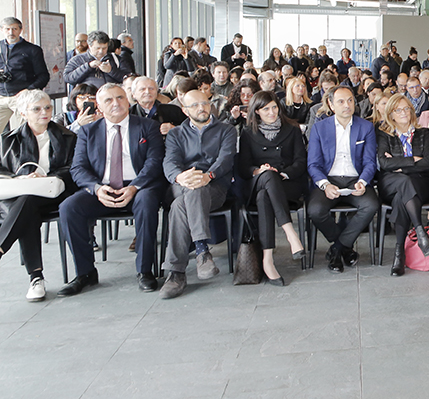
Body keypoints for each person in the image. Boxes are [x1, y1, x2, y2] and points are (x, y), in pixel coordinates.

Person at [59, 84, 165, 295]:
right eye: (108, 100)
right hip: (102, 188)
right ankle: (85, 273)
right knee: (69, 208)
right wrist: (97, 189)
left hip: (138, 186)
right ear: (98, 106)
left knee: (147, 201)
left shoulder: (147, 126)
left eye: (120, 98)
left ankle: (145, 270)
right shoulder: (88, 131)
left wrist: (134, 187)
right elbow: (78, 168)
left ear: (128, 101)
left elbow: (154, 162)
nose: (116, 103)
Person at [159, 88, 237, 299]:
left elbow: (226, 158)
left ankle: (176, 273)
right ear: (185, 110)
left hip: (215, 187)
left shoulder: (227, 130)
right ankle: (202, 252)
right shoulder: (176, 134)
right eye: (194, 105)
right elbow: (170, 161)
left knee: (179, 206)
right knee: (192, 189)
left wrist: (209, 175)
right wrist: (179, 177)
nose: (201, 108)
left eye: (204, 103)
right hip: (184, 183)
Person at [0, 90, 77, 302]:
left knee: (28, 203)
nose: (44, 112)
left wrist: (46, 175)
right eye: (36, 109)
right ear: (23, 113)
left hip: (55, 193)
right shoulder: (7, 140)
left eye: (48, 108)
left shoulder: (68, 136)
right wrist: (21, 178)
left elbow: (73, 168)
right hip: (18, 198)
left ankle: (32, 275)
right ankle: (36, 279)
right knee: (27, 206)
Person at [306, 85, 380, 274]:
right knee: (315, 210)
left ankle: (337, 249)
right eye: (341, 101)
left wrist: (363, 181)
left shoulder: (366, 127)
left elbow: (370, 162)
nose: (347, 105)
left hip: (356, 178)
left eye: (350, 100)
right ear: (331, 104)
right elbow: (313, 164)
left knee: (371, 205)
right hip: (329, 178)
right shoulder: (319, 128)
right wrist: (325, 184)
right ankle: (344, 247)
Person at [238, 91, 308, 286]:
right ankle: (290, 233)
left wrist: (283, 173)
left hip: (287, 183)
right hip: (257, 180)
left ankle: (267, 259)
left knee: (264, 197)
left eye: (274, 107)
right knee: (267, 176)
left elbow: (301, 161)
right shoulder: (247, 133)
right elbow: (243, 166)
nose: (272, 112)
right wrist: (258, 170)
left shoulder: (292, 129)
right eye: (266, 109)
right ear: (257, 111)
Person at [375, 94, 429, 276]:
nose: (404, 112)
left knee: (403, 193)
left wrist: (400, 164)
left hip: (421, 183)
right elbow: (384, 164)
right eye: (398, 109)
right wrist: (412, 160)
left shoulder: (423, 133)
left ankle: (399, 254)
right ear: (391, 114)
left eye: (407, 108)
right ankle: (421, 233)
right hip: (390, 183)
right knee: (404, 183)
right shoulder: (384, 134)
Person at [64, 30, 131, 89]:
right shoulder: (77, 59)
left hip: (111, 98)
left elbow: (129, 79)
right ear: (89, 46)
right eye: (97, 48)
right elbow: (68, 78)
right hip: (88, 98)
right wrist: (88, 66)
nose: (101, 51)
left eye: (104, 48)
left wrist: (111, 71)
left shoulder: (117, 59)